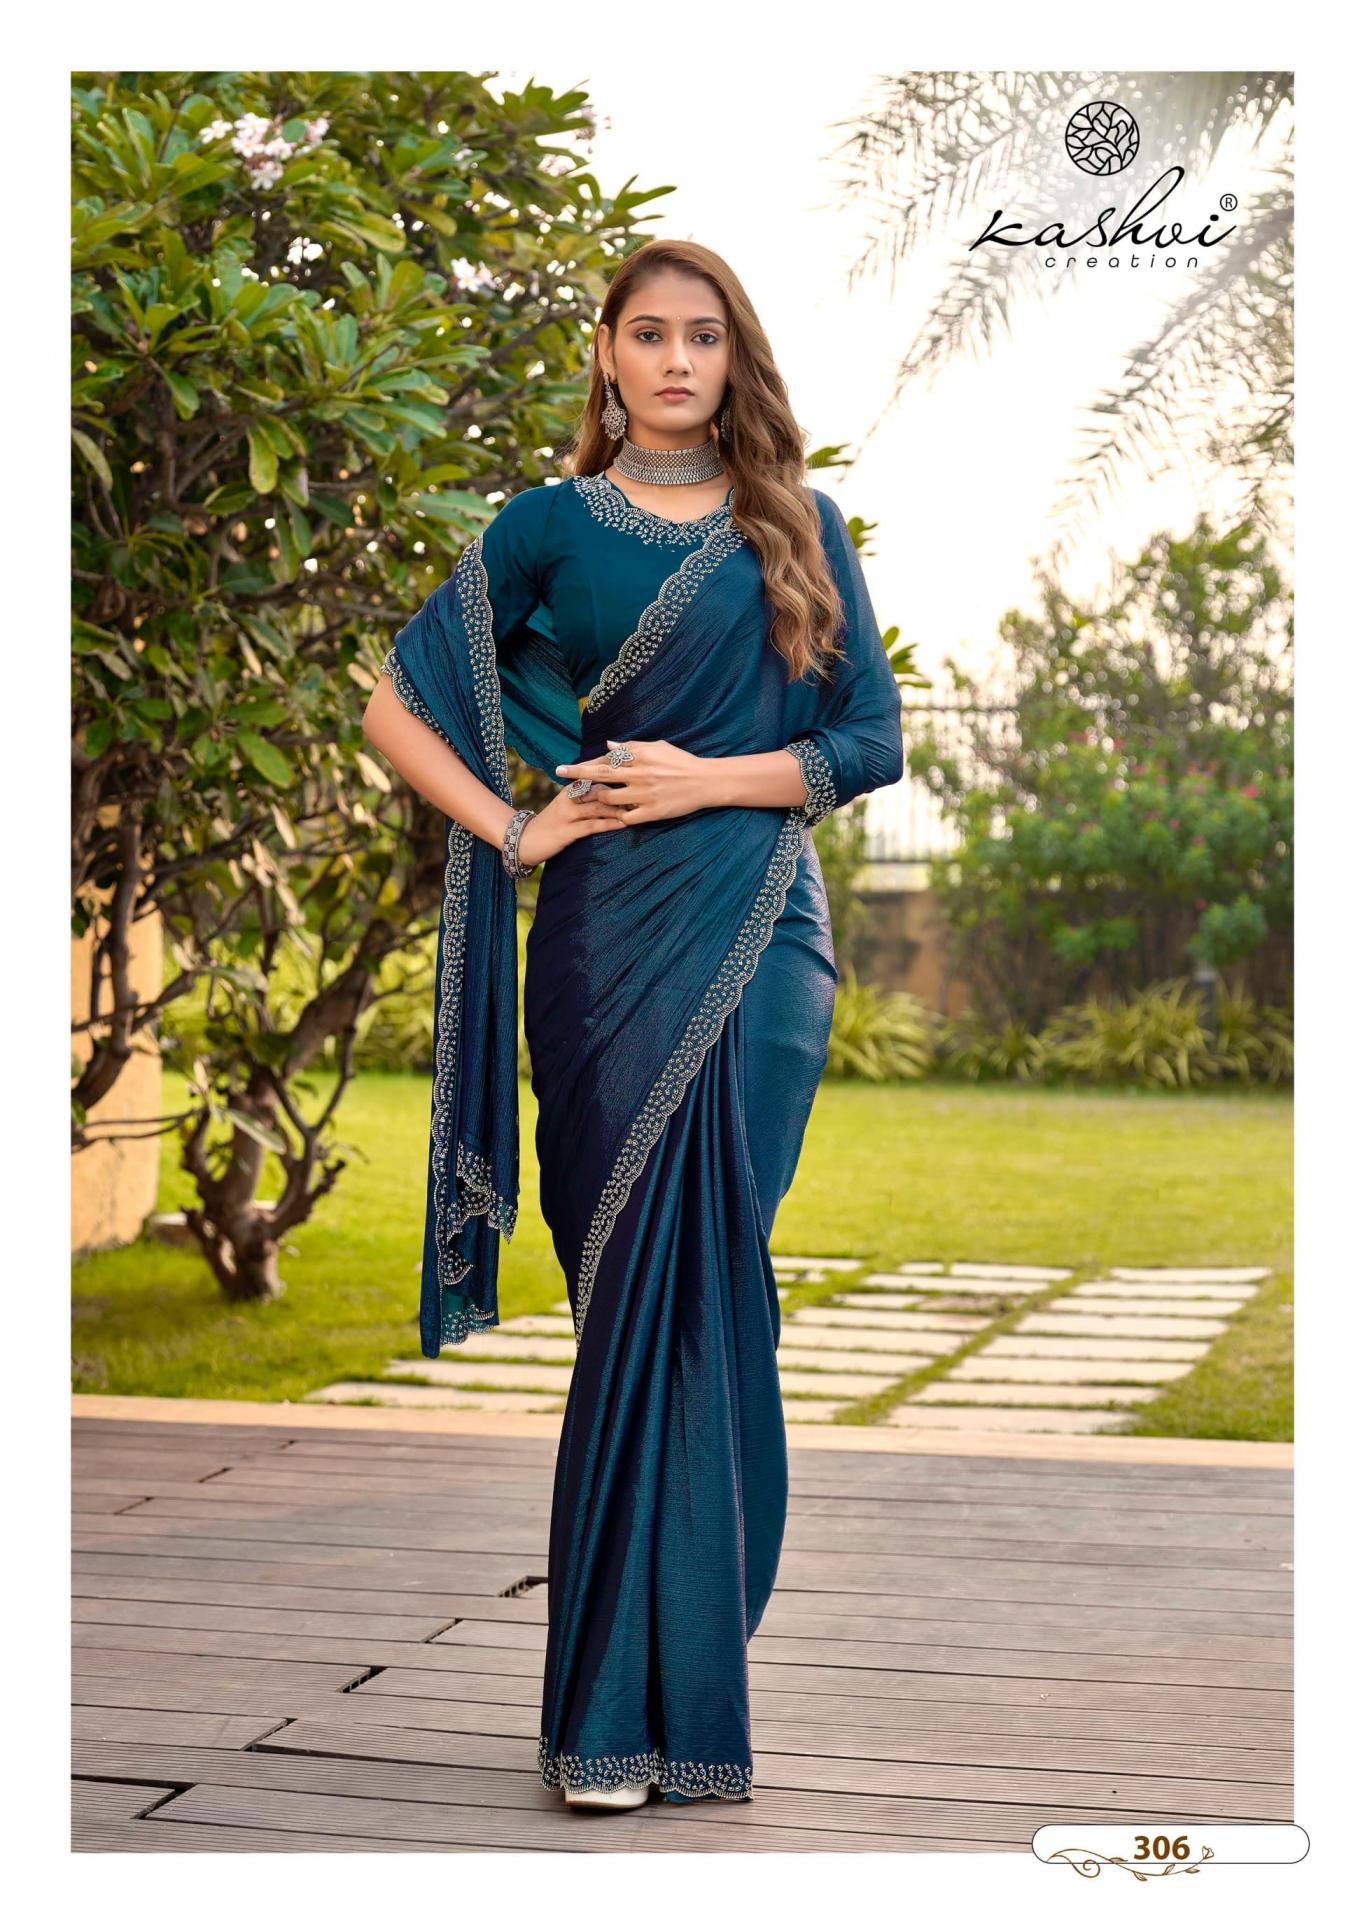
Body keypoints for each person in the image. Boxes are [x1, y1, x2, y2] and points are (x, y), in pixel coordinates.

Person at [362, 238, 905, 1812]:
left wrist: (700, 781)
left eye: (704, 336)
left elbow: (867, 737)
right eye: (649, 333)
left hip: (763, 935)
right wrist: (513, 828)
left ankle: (665, 1689)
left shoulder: (797, 524)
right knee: (626, 1302)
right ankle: (613, 1713)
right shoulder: (543, 527)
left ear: (735, 359)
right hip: (603, 946)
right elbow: (397, 703)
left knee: (712, 1280)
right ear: (604, 352)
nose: (676, 360)